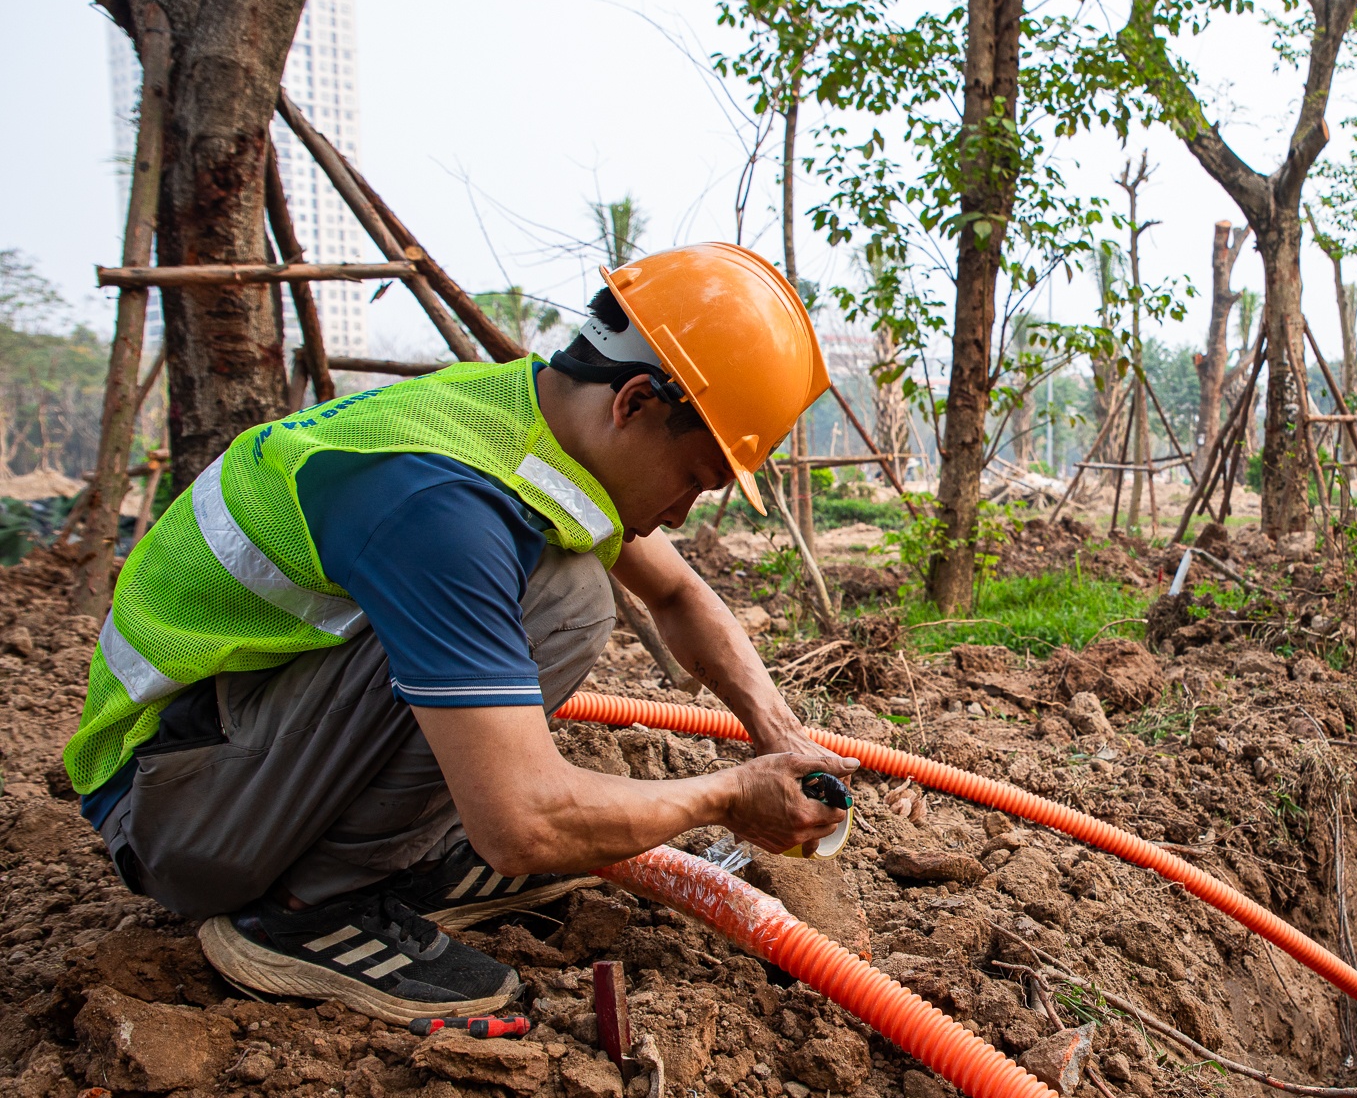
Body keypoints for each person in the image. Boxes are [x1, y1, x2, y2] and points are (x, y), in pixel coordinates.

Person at [64, 243, 861, 1024]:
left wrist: (778, 729)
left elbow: (681, 593)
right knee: (570, 598)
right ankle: (308, 905)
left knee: (565, 590)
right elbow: (521, 824)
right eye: (695, 477)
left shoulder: (524, 416)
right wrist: (727, 796)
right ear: (635, 402)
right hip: (175, 812)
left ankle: (391, 861)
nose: (685, 511)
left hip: (228, 746)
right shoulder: (442, 504)